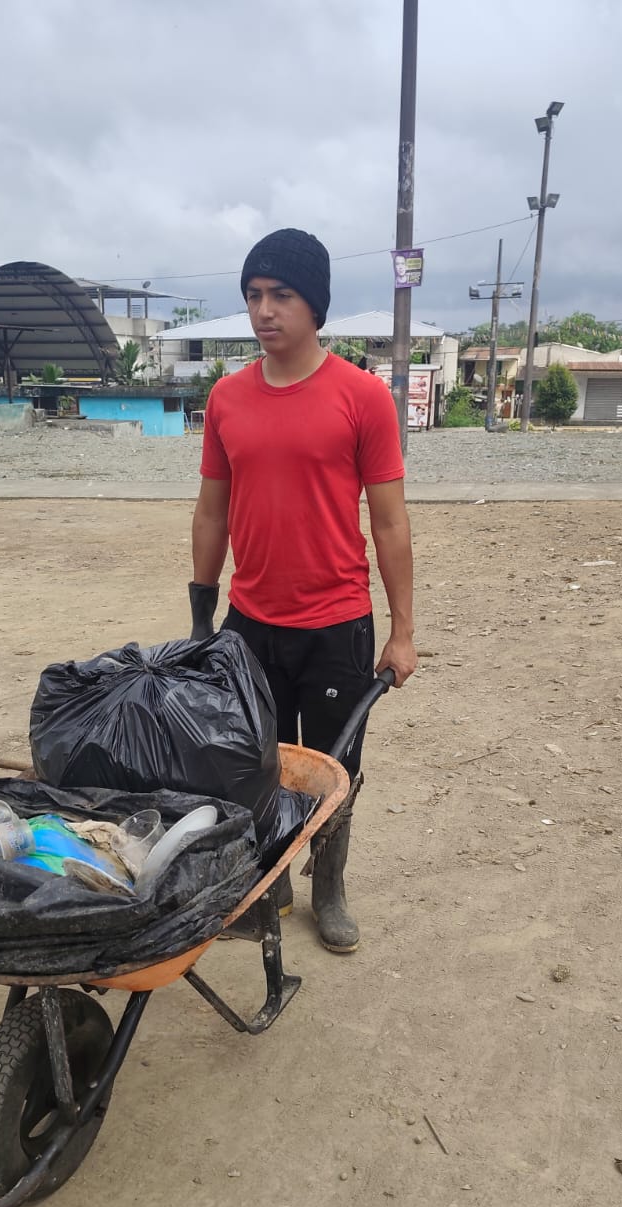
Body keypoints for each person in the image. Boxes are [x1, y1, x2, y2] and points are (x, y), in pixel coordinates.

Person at [187, 227, 416, 954]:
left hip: (335, 625)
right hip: (250, 623)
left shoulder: (362, 397)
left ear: (314, 304)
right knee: (253, 763)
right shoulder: (227, 398)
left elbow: (389, 521)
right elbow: (211, 511)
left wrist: (402, 631)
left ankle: (331, 888)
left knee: (334, 768)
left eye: (281, 295)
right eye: (253, 295)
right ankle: (271, 883)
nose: (264, 310)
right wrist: (201, 618)